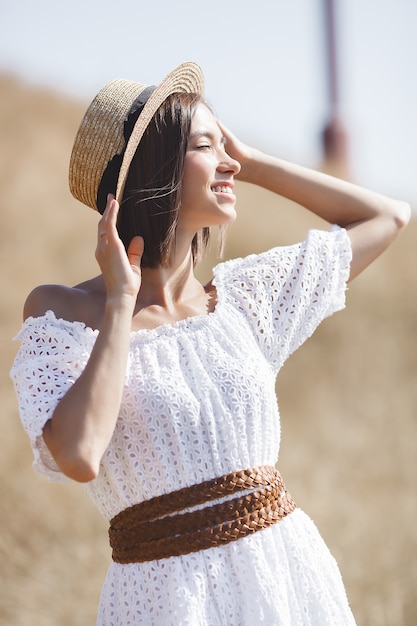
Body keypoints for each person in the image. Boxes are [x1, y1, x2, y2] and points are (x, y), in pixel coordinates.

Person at [10, 61, 410, 626]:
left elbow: (387, 216)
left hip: (285, 580)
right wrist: (121, 304)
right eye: (207, 146)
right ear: (156, 167)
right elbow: (78, 454)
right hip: (163, 599)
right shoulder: (62, 313)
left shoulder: (244, 302)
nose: (229, 162)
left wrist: (255, 162)